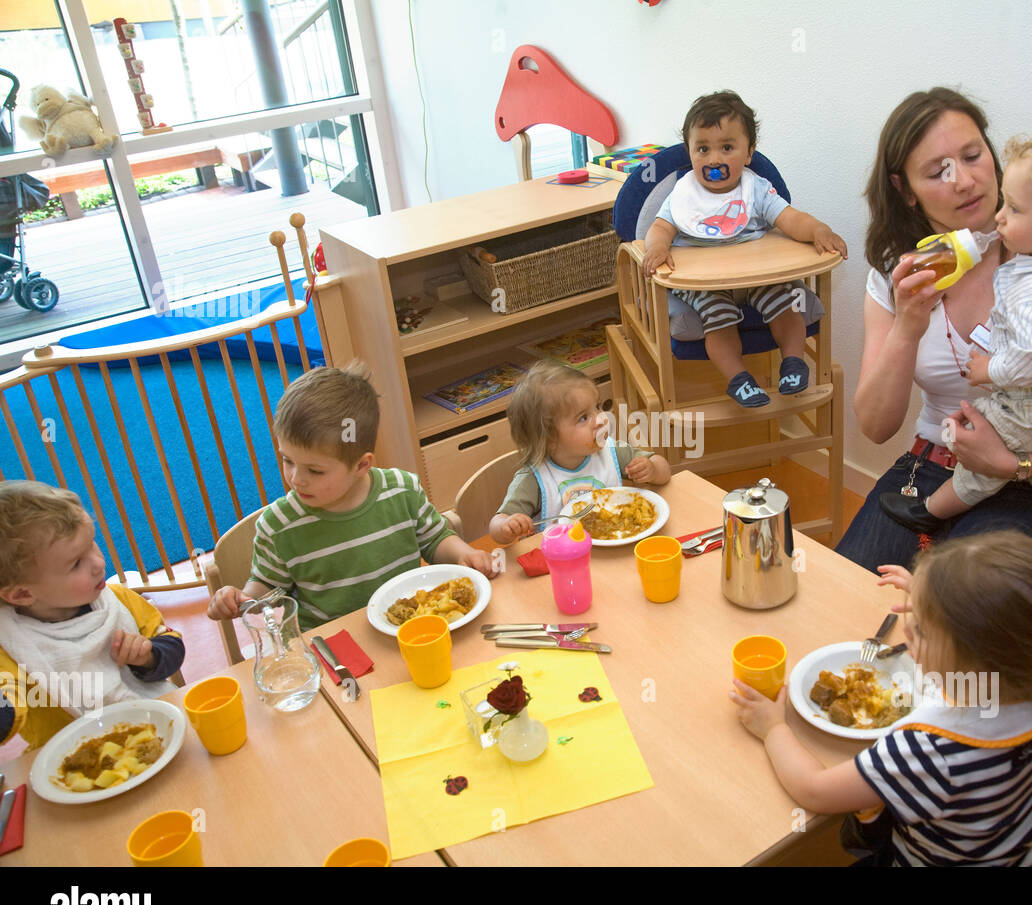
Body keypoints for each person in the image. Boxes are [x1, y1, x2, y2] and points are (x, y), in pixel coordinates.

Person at [834, 88, 1032, 579]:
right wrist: (907, 329)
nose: (967, 181)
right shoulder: (900, 275)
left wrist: (1016, 464)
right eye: (938, 172)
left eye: (974, 156)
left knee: (964, 614)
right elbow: (875, 426)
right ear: (906, 189)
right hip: (935, 463)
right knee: (846, 604)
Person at [731, 530, 1032, 866]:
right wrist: (935, 602)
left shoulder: (929, 750)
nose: (906, 631)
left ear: (971, 654)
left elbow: (814, 791)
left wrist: (774, 728)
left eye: (920, 630)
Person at [207, 363, 497, 631]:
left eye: (314, 470)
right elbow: (268, 588)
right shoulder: (279, 525)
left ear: (362, 465)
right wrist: (242, 598)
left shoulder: (402, 490)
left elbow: (435, 541)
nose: (296, 478)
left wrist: (463, 553)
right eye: (287, 460)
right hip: (332, 645)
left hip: (408, 629)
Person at [641, 90, 849, 408]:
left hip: (757, 276)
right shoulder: (683, 194)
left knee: (785, 302)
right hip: (705, 284)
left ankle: (792, 362)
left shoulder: (756, 189)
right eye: (703, 149)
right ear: (690, 154)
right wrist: (656, 248)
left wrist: (818, 230)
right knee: (718, 319)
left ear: (749, 152)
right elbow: (661, 228)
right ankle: (738, 378)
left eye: (727, 147)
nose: (714, 159)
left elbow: (791, 219)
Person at [0, 480, 185, 750]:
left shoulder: (118, 599)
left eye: (92, 544)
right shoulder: (10, 642)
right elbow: (7, 711)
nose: (99, 563)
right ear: (21, 595)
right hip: (68, 757)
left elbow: (173, 646)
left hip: (161, 727)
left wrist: (149, 656)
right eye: (76, 563)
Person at [490, 360, 671, 545]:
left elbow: (664, 471)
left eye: (597, 407)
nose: (600, 419)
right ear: (549, 439)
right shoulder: (534, 478)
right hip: (565, 561)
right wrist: (507, 525)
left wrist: (652, 469)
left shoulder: (612, 451)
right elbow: (497, 525)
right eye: (583, 417)